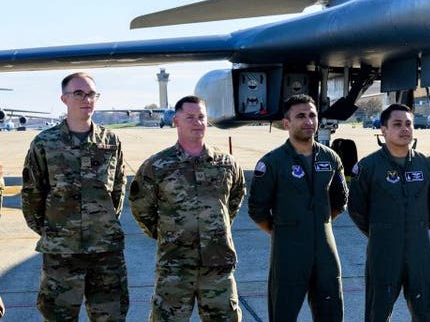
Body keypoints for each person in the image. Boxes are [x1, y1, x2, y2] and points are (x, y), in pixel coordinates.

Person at [21, 72, 129, 320]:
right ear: (64, 99)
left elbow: (117, 193)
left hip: (105, 253)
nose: (86, 99)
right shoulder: (45, 143)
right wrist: (56, 231)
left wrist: (100, 226)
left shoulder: (111, 142)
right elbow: (32, 196)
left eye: (91, 94)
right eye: (79, 93)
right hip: (61, 255)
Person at [129, 95, 245, 321]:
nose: (197, 122)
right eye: (190, 117)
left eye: (201, 117)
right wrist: (166, 234)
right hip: (175, 266)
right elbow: (141, 207)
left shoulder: (226, 163)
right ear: (176, 121)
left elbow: (234, 200)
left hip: (217, 264)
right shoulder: (157, 166)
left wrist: (214, 228)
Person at [247, 95, 348, 321]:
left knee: (331, 312)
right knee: (283, 312)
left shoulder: (331, 158)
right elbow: (257, 210)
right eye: (300, 116)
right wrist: (285, 230)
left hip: (325, 248)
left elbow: (340, 202)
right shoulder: (272, 163)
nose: (308, 121)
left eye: (312, 115)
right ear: (286, 123)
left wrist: (317, 223)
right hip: (288, 250)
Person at [348, 103, 430, 322]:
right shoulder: (368, 166)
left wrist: (414, 228)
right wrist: (381, 230)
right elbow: (357, 208)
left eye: (408, 124)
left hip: (419, 252)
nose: (405, 129)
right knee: (377, 312)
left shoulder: (427, 165)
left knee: (426, 311)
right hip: (383, 253)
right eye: (397, 124)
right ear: (384, 129)